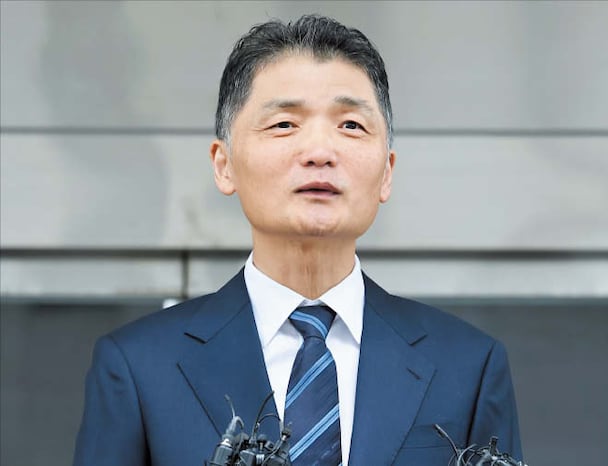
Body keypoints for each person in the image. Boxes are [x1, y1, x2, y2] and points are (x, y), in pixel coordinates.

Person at [73, 14, 522, 466]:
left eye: (351, 125)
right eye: (284, 124)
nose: (320, 152)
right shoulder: (138, 367)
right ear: (224, 165)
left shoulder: (469, 366)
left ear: (387, 172)